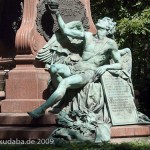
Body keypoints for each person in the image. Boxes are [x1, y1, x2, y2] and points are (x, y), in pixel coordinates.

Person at [28, 10, 122, 118]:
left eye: (105, 20)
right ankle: (62, 96)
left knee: (65, 82)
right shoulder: (88, 36)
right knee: (53, 68)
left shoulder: (111, 44)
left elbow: (119, 64)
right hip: (77, 66)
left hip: (89, 72)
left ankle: (41, 109)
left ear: (108, 28)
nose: (101, 20)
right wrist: (57, 14)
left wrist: (106, 66)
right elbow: (65, 30)